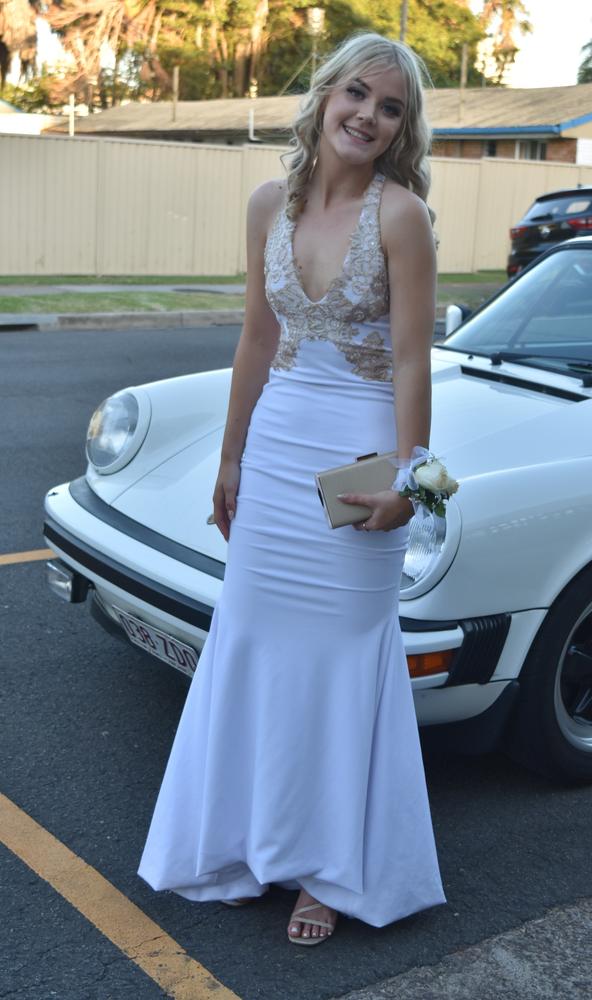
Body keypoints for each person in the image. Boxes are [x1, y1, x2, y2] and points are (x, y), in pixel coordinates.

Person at [138, 31, 446, 946]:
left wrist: (408, 477)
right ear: (325, 96)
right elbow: (255, 342)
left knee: (342, 658)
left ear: (402, 128)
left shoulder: (402, 218)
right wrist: (229, 459)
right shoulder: (268, 202)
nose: (370, 117)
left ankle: (328, 869)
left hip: (356, 462)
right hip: (275, 457)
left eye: (391, 108)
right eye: (359, 94)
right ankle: (246, 839)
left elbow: (409, 360)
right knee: (260, 645)